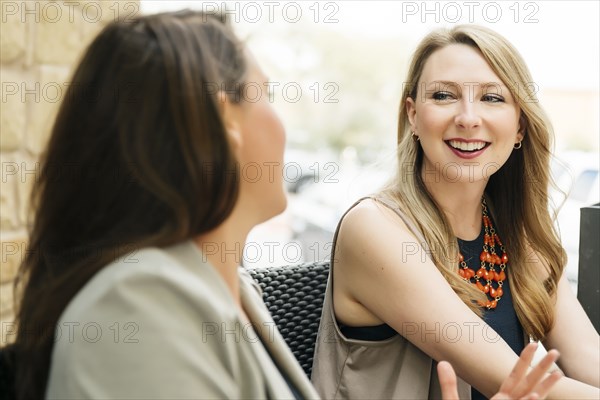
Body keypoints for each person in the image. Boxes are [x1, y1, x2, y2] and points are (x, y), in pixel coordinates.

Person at [11, 12, 562, 400]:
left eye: (493, 97)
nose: (282, 122)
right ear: (226, 128)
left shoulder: (225, 290)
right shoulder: (140, 303)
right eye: (266, 96)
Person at [311, 25, 600, 399]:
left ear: (520, 126)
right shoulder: (375, 227)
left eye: (492, 98)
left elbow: (587, 354)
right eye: (444, 95)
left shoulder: (516, 232)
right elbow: (519, 382)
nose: (467, 118)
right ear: (413, 116)